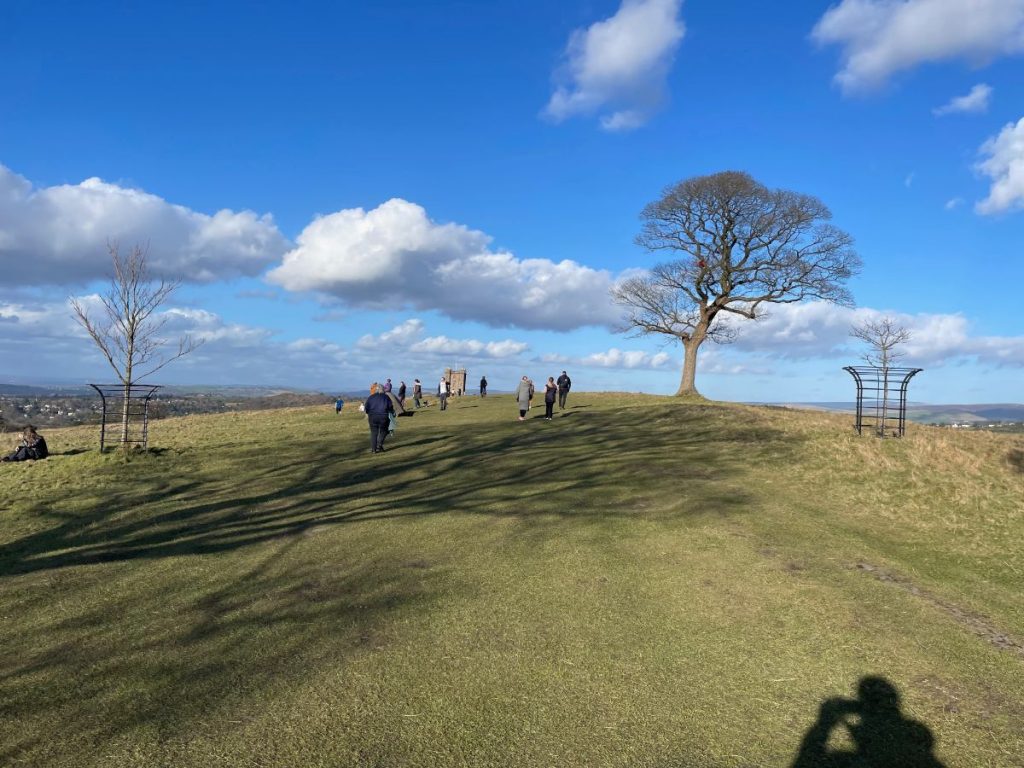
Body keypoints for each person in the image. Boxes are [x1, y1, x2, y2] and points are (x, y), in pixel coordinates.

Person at [363, 383, 394, 454]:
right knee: (384, 431)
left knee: (374, 433)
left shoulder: (371, 397)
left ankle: (373, 449)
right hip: (383, 416)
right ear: (383, 390)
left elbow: (366, 408)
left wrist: (369, 413)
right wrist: (391, 412)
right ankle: (379, 445)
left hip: (372, 416)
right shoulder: (386, 397)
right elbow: (390, 407)